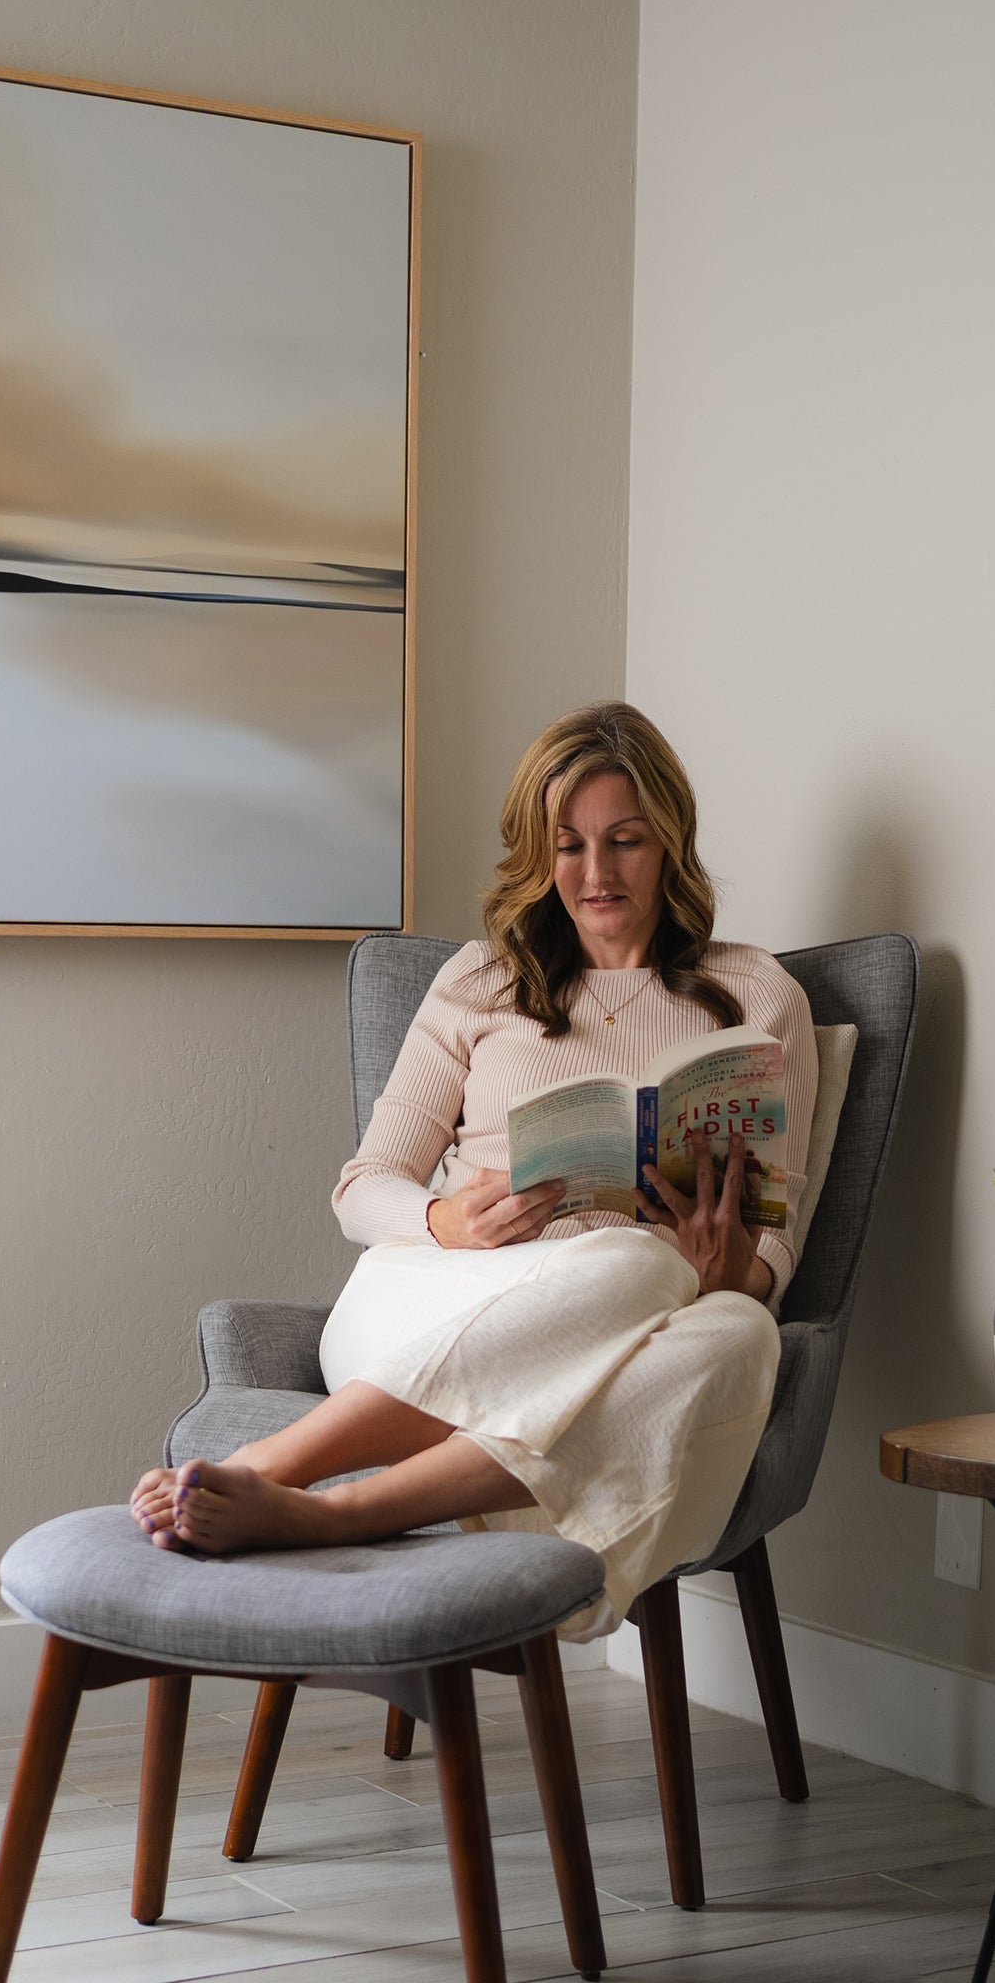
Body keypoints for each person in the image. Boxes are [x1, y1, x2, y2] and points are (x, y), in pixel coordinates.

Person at [129, 701, 817, 1636]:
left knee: (739, 1338)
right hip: (437, 1297)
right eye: (568, 845)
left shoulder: (760, 993)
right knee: (640, 1264)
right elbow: (362, 1187)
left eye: (626, 841)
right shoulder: (479, 983)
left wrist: (731, 1269)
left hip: (638, 1318)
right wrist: (447, 1223)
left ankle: (334, 1514)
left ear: (672, 844)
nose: (597, 873)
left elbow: (779, 1231)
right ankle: (274, 1467)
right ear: (539, 855)